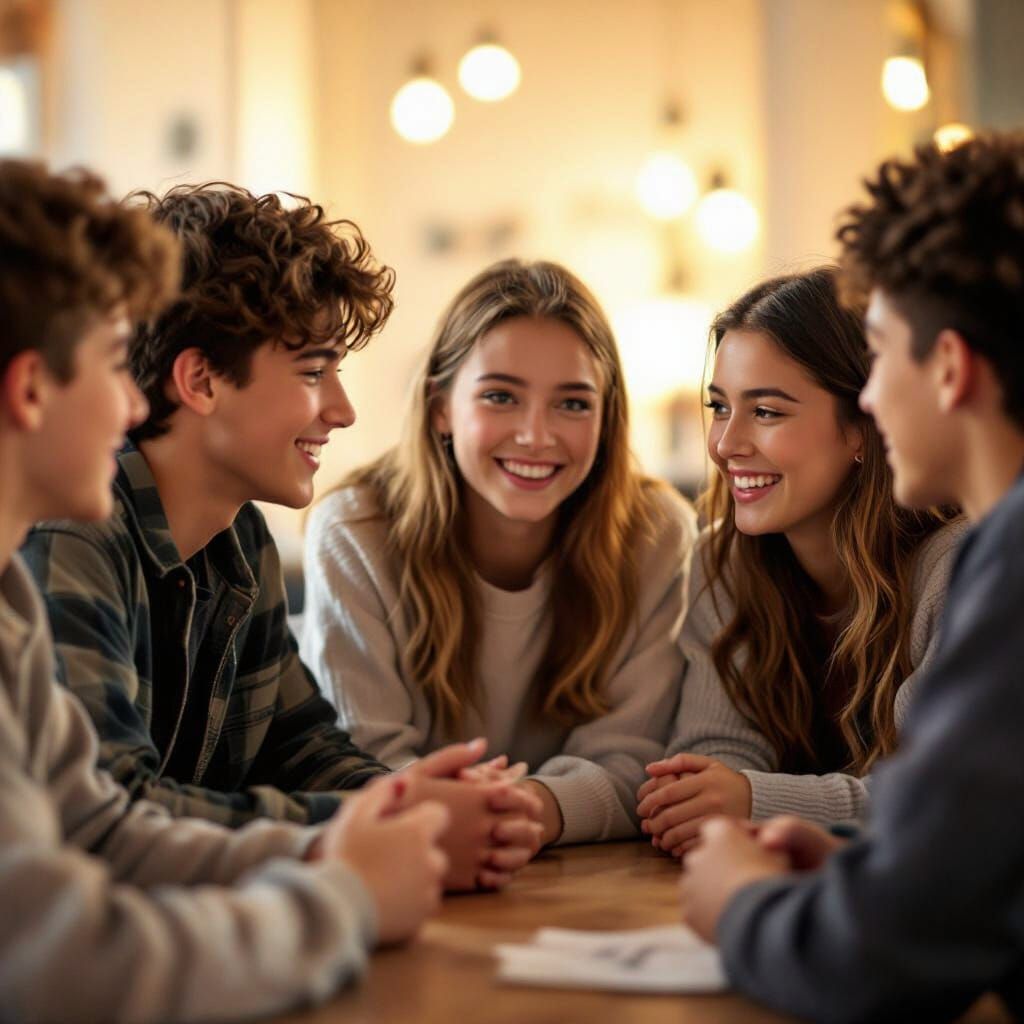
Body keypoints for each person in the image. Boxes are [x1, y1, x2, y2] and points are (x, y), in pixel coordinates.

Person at [0, 159, 451, 1023]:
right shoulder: (59, 548)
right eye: (109, 365)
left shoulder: (16, 602)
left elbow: (100, 826)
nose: (132, 402)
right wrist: (346, 891)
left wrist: (387, 819)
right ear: (30, 388)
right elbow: (62, 963)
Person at [20, 182, 541, 892]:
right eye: (314, 371)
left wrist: (416, 804)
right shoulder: (74, 538)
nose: (344, 409)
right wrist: (382, 823)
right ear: (201, 381)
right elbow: (113, 813)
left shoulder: (242, 538)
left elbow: (300, 745)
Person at [679, 133, 1024, 1022]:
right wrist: (880, 872)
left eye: (882, 355)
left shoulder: (1005, 560)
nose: (870, 399)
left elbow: (882, 963)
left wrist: (743, 905)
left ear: (947, 366)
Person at [300, 258, 697, 849]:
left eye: (573, 404)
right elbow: (362, 762)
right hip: (419, 855)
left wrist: (526, 809)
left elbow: (636, 762)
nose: (536, 435)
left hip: (570, 871)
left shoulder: (657, 533)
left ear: (607, 416)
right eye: (500, 396)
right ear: (441, 408)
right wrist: (478, 813)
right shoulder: (355, 530)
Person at [637, 268, 962, 856]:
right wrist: (713, 794)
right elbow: (714, 762)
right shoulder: (723, 562)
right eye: (719, 407)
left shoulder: (956, 569)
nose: (726, 444)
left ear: (864, 426)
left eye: (766, 412)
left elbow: (936, 798)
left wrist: (751, 799)